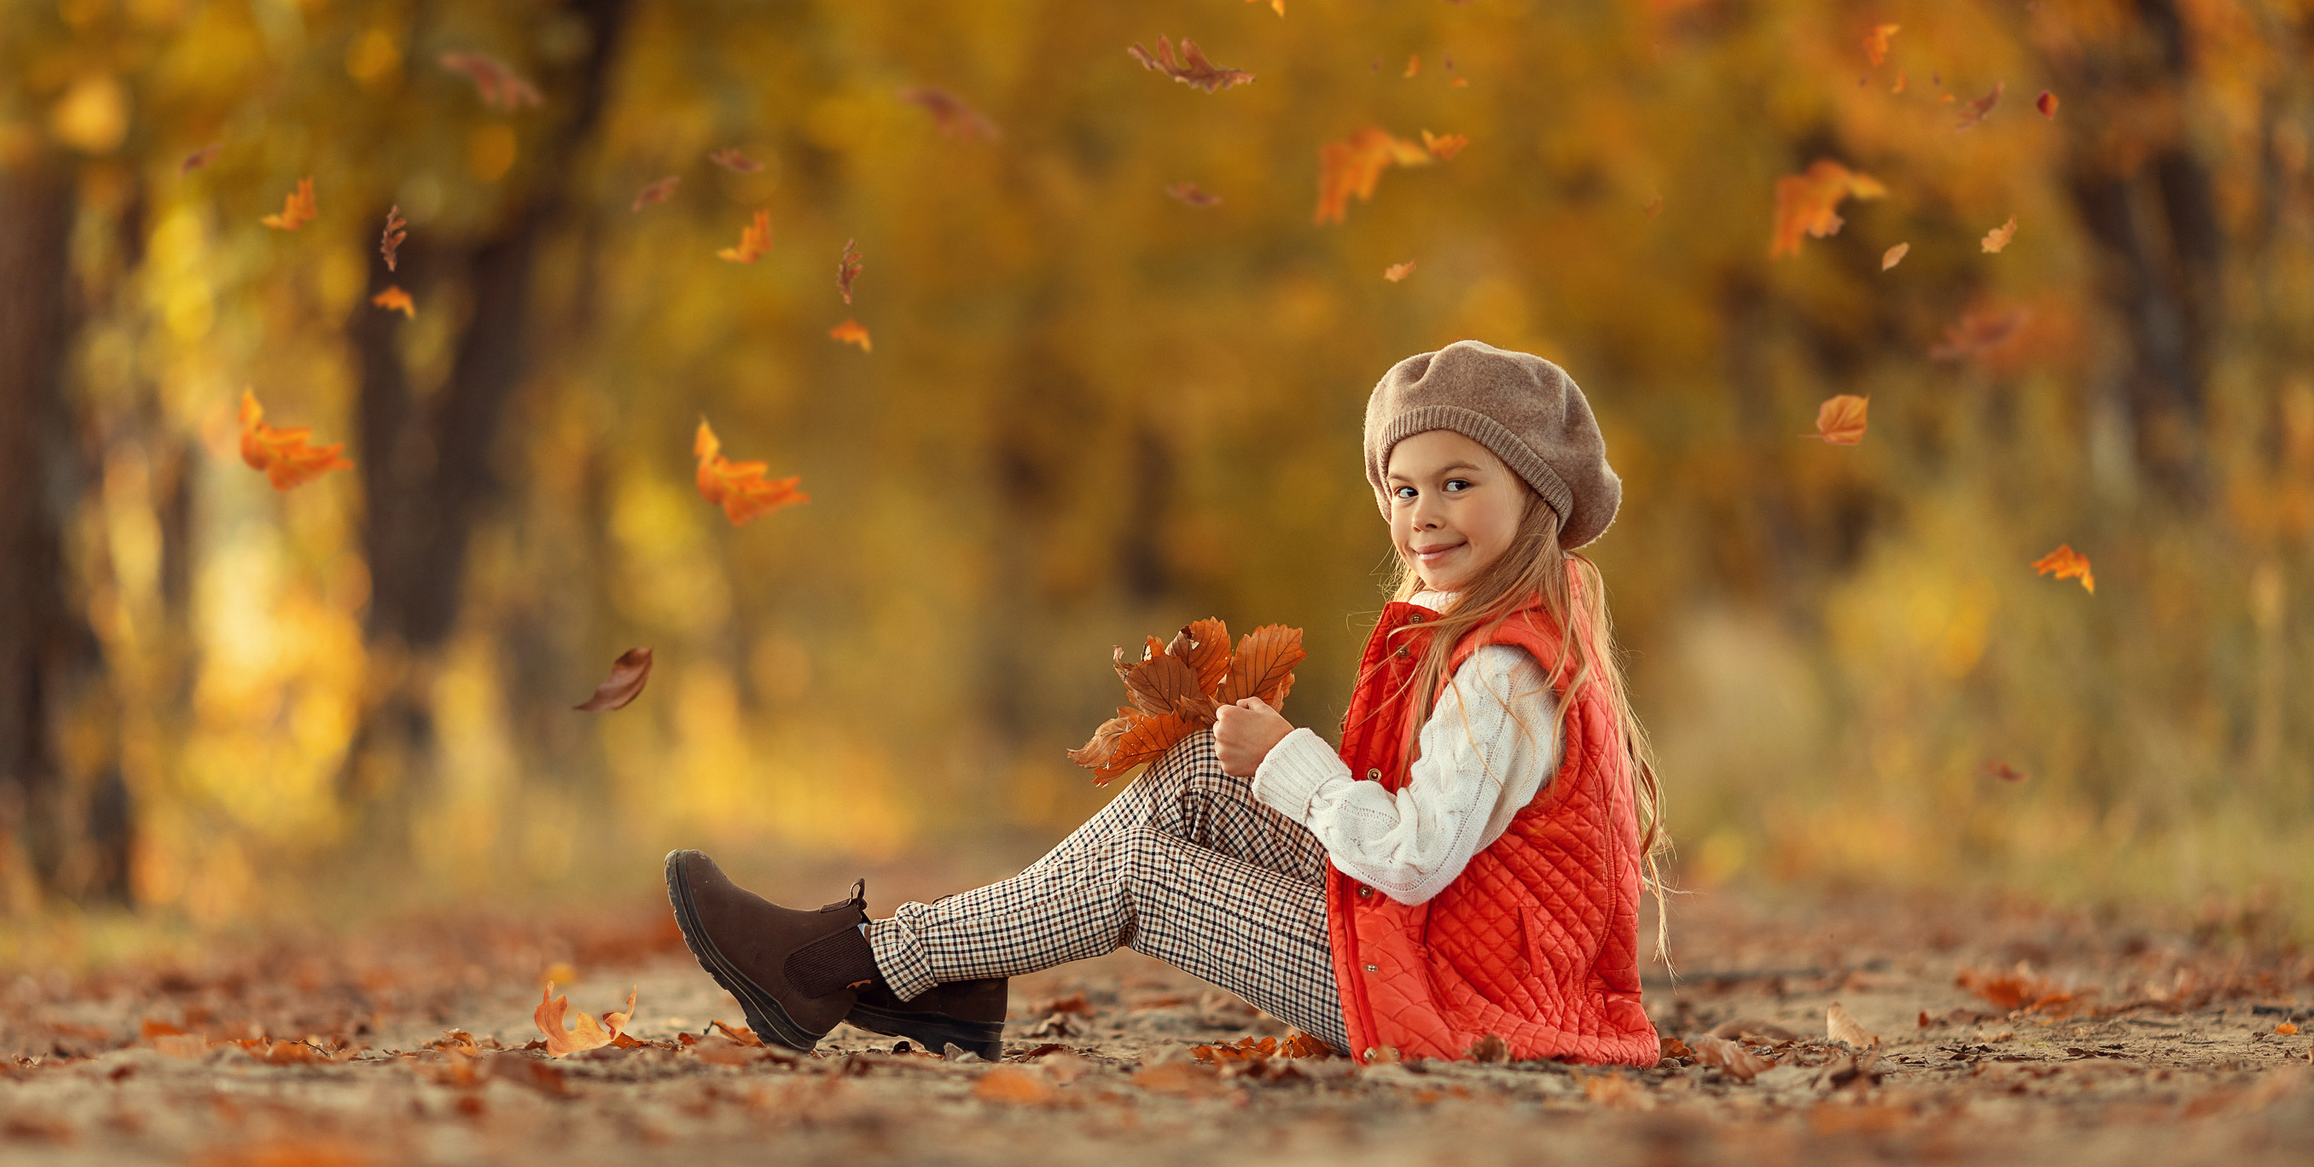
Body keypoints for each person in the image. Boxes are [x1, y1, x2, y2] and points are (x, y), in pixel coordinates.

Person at [664, 340, 1669, 1066]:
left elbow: (1409, 861)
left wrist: (1291, 764)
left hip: (1460, 1000)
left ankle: (851, 965)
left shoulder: (1502, 677)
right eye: (1402, 491)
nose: (1422, 515)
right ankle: (943, 975)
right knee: (1191, 776)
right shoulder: (1483, 627)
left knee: (1145, 872)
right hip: (1441, 948)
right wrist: (1267, 768)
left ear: (1535, 497)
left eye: (1457, 483)